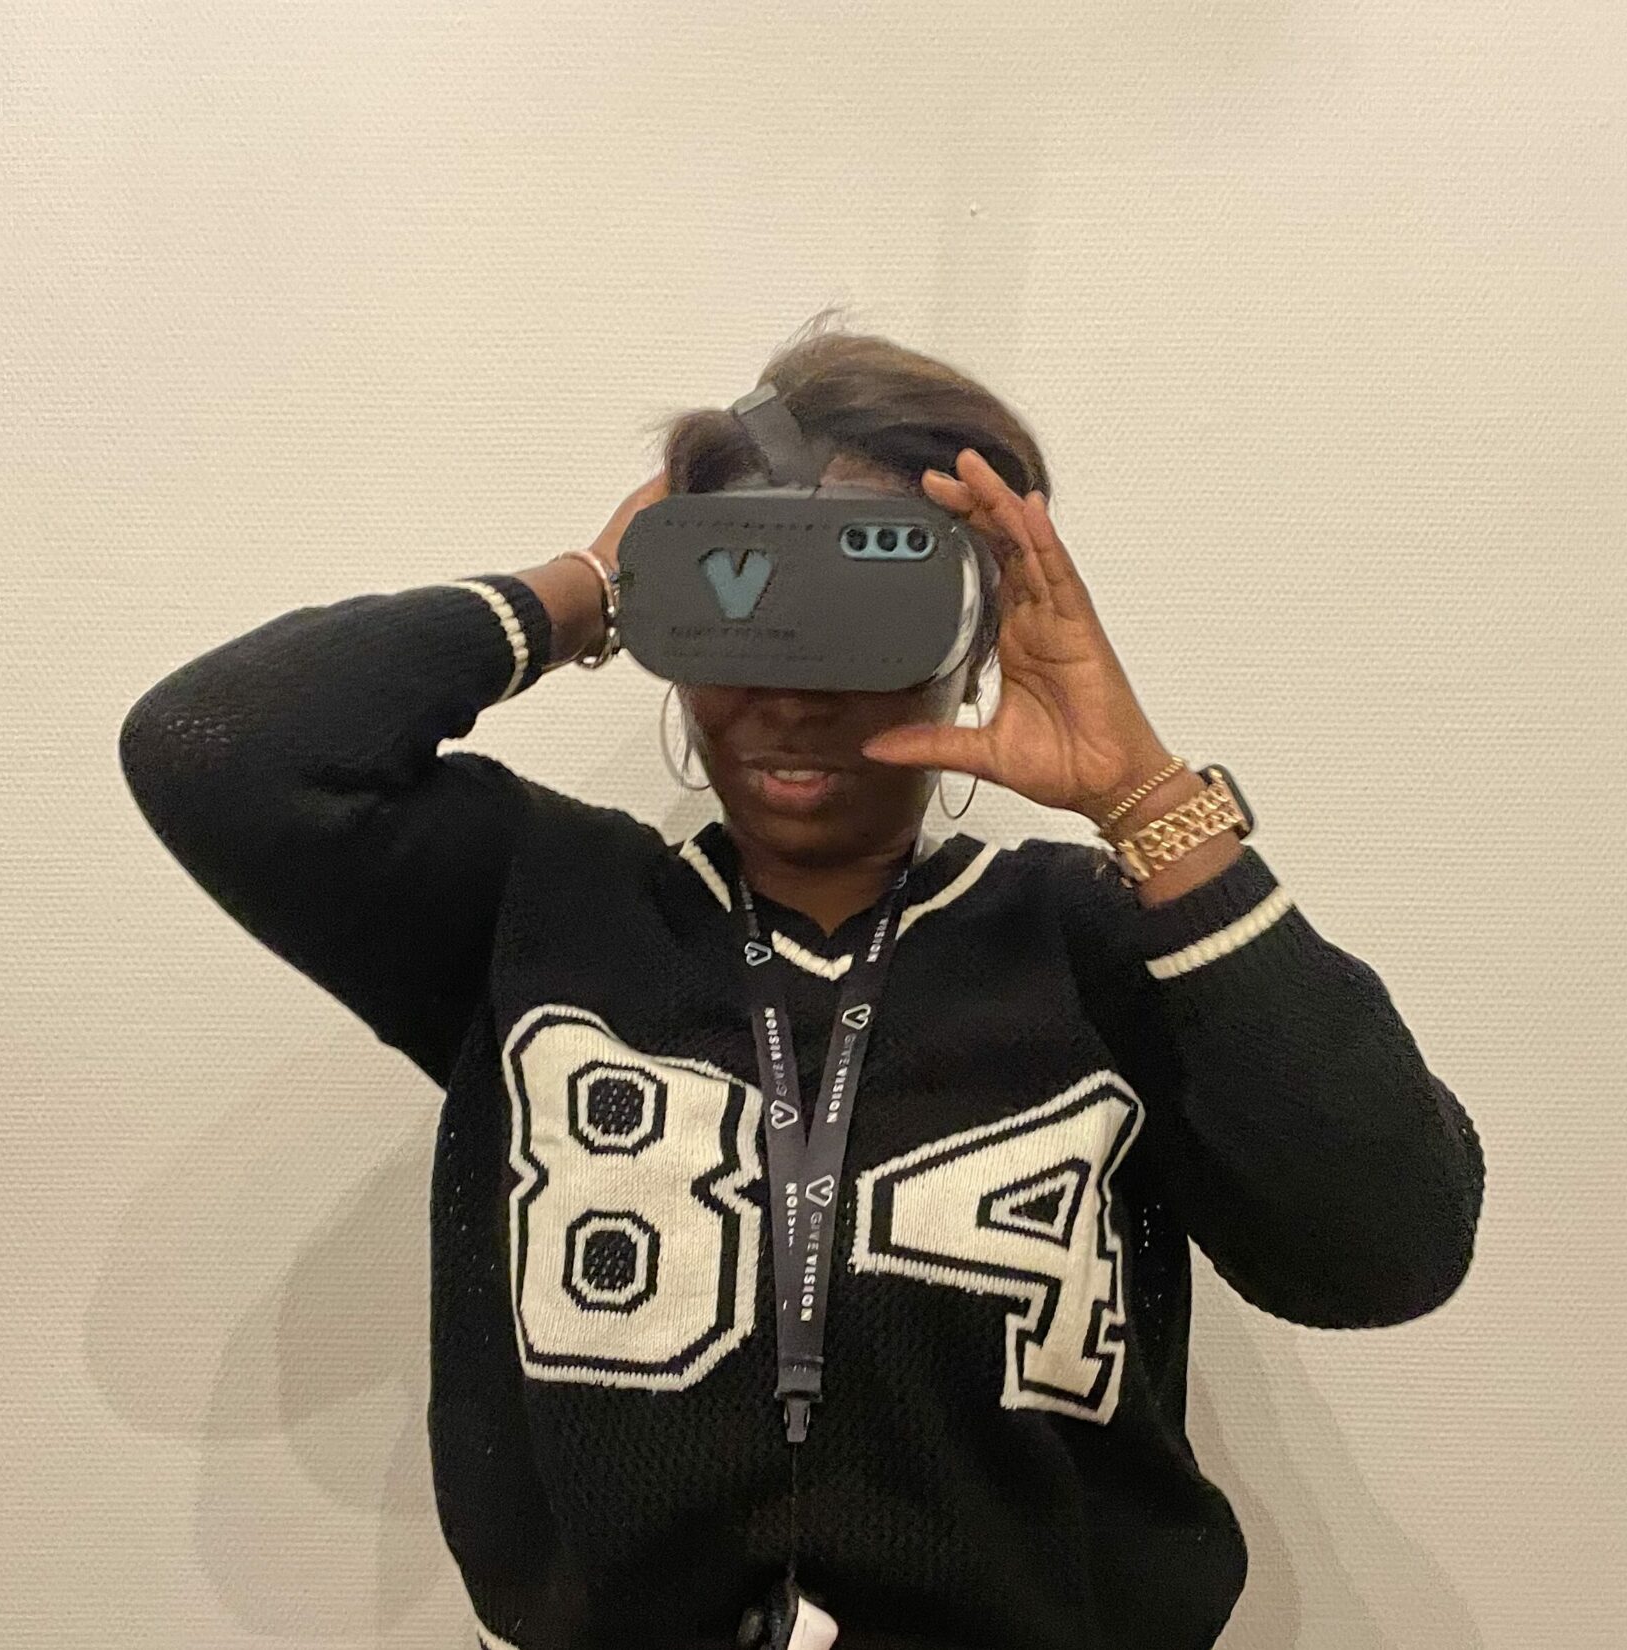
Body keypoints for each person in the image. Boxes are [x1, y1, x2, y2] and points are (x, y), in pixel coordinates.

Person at [117, 313, 1484, 1650]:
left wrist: (1146, 797)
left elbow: (1391, 1249)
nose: (793, 692)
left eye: (866, 607)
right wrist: (588, 587)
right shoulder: (540, 911)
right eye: (741, 596)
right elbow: (217, 751)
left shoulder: (1096, 944)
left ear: (973, 627)